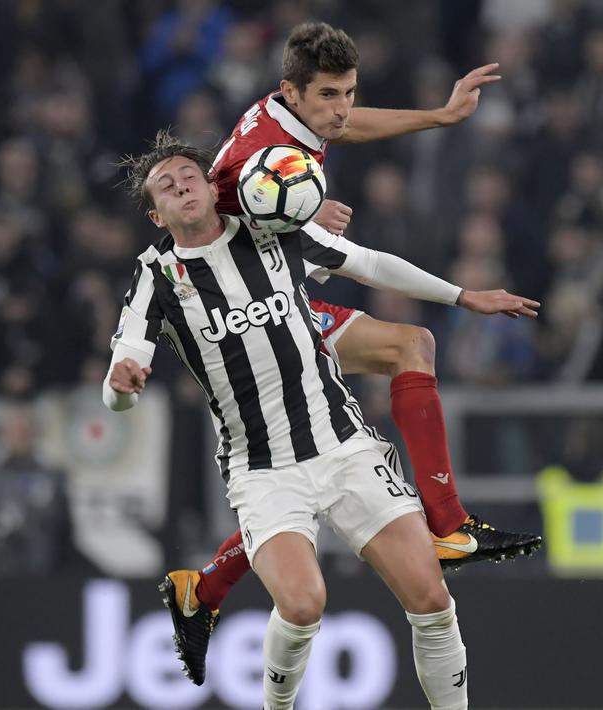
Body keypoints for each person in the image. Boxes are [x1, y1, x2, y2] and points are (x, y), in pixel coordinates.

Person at [160, 21, 541, 685]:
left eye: (348, 93)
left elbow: (339, 130)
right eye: (330, 95)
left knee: (401, 353)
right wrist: (307, 220)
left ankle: (206, 588)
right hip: (244, 315)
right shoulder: (259, 158)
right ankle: (446, 526)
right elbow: (255, 228)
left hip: (280, 291)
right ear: (291, 92)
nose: (340, 109)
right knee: (327, 427)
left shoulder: (289, 119)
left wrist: (441, 116)